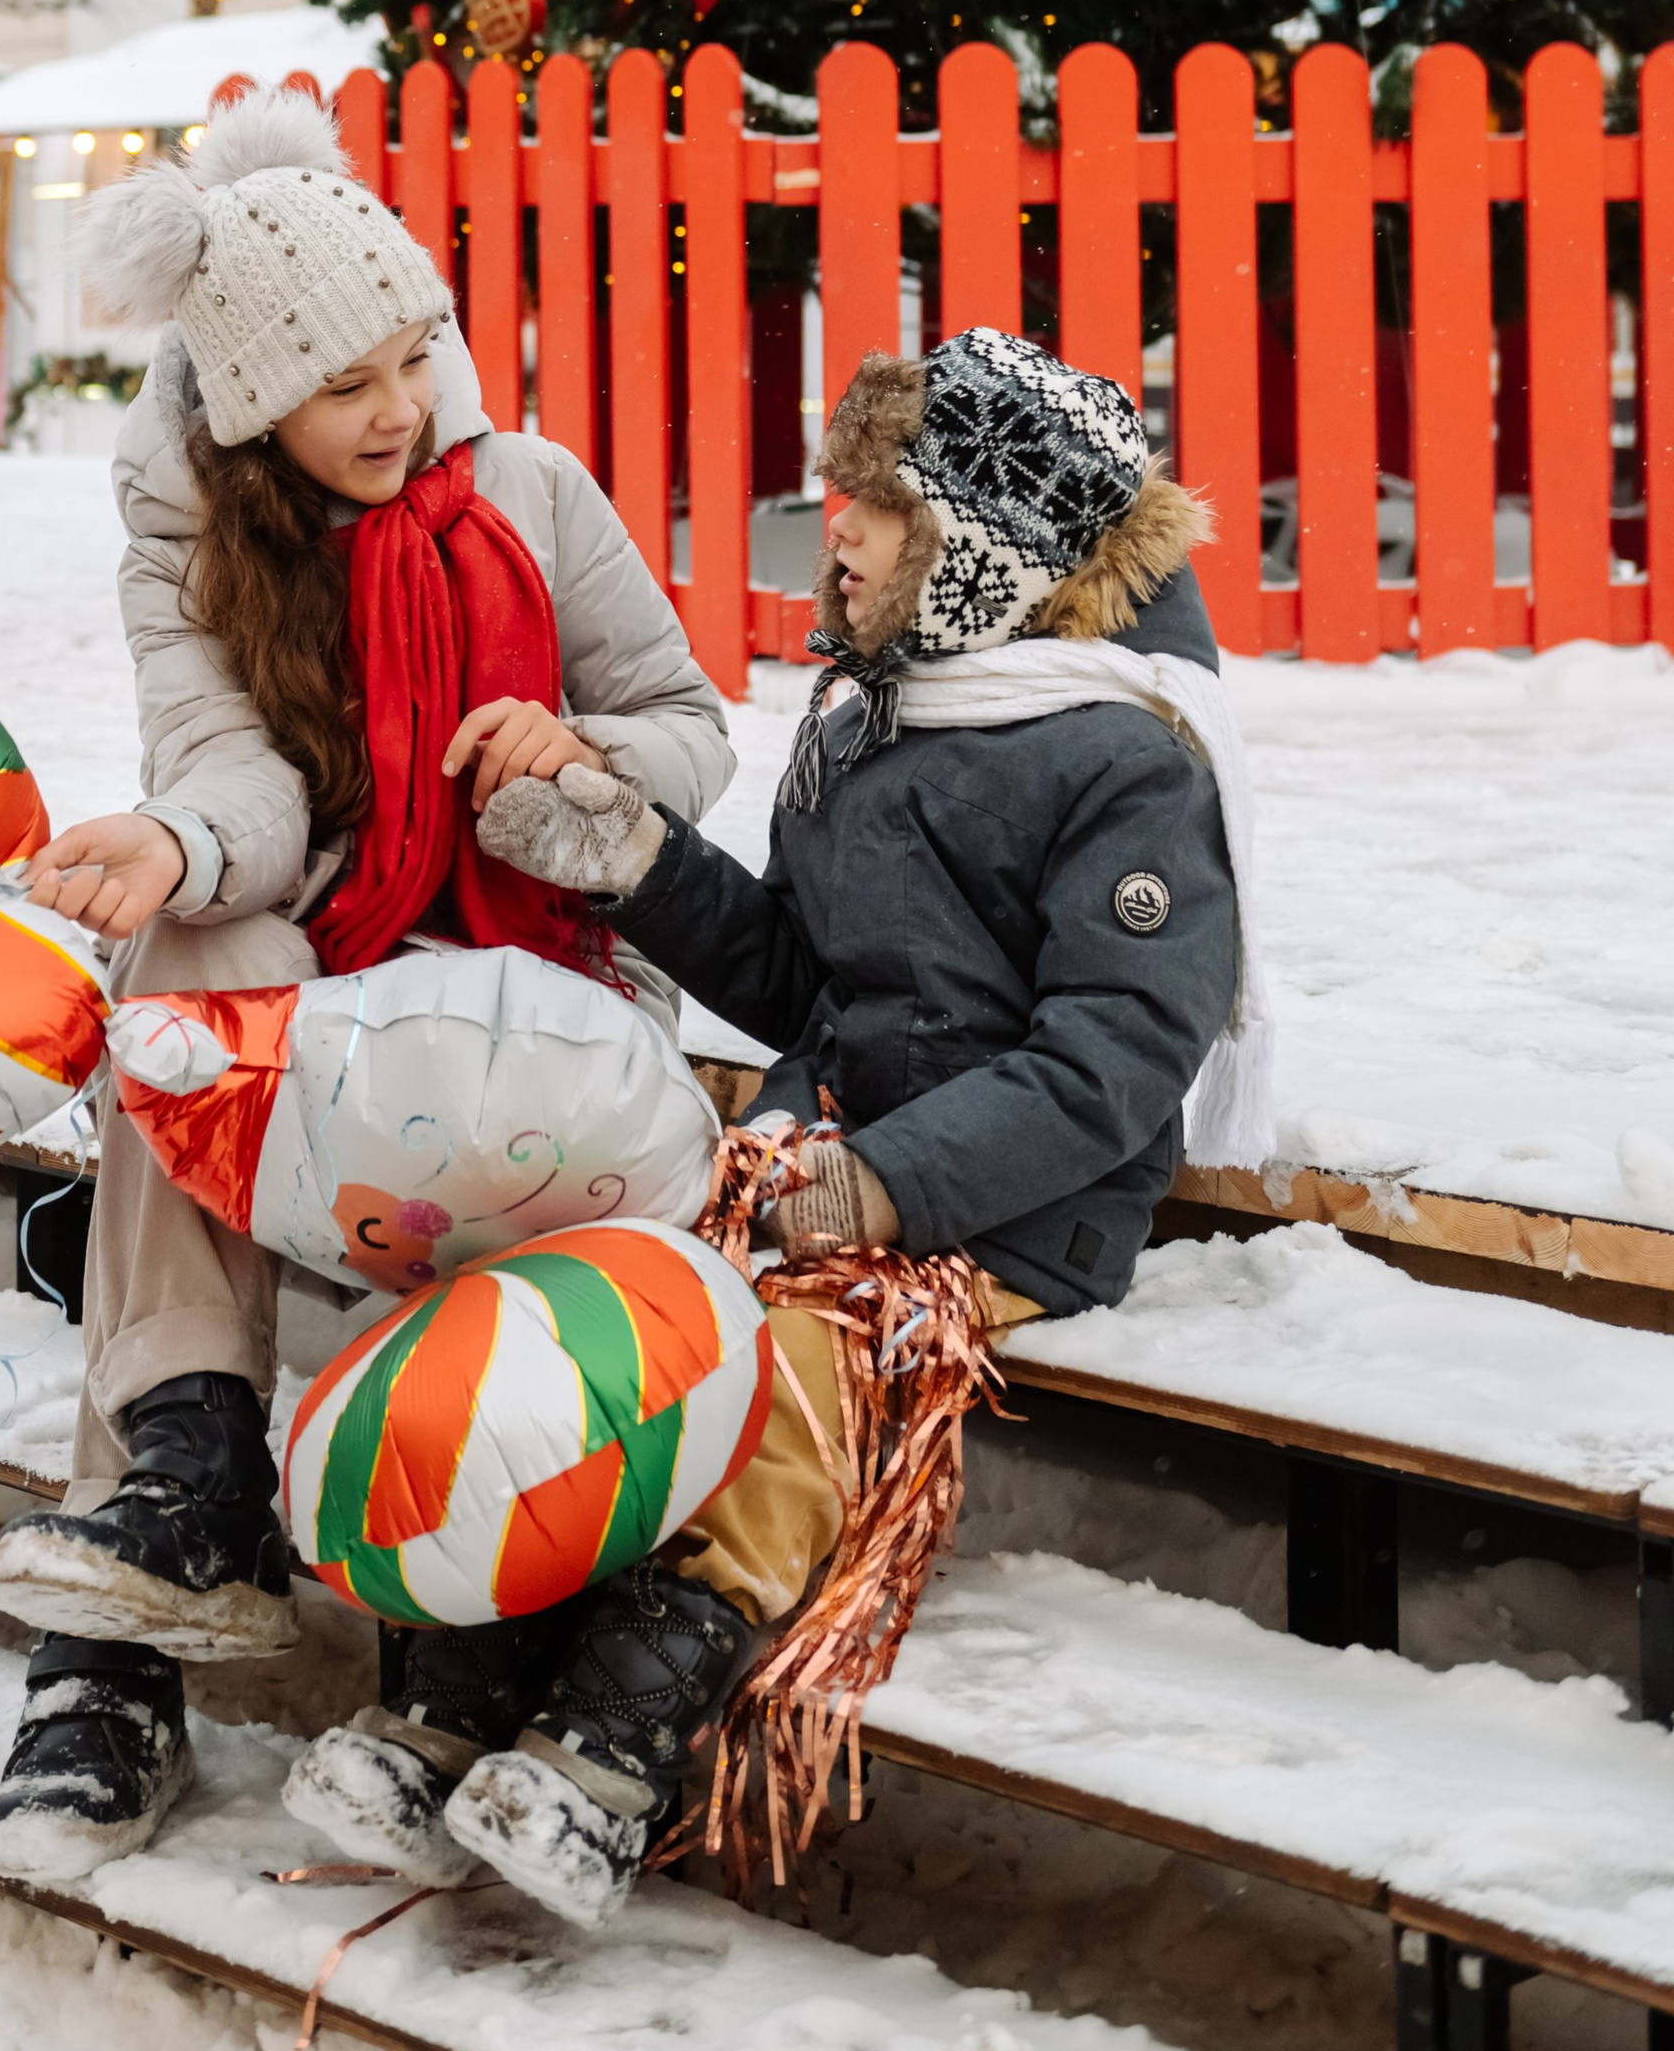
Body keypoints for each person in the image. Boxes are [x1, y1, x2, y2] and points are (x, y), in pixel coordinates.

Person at [285, 323, 1258, 1929]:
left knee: (787, 1368)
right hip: (818, 1161)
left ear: (978, 539)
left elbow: (1113, 1059)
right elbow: (812, 979)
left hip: (1001, 1210)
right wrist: (632, 858)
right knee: (610, 1317)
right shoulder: (882, 718)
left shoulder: (1123, 758)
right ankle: (453, 1699)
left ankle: (611, 1746)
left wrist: (886, 1187)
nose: (837, 532)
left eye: (873, 503)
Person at [0, 81, 738, 1877]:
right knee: (183, 977)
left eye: (418, 353)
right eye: (347, 384)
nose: (402, 407)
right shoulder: (195, 557)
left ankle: (137, 1616)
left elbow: (693, 730)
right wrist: (174, 843)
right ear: (251, 408)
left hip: (541, 984)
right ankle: (188, 1483)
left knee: (200, 1035)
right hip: (339, 971)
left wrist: (576, 772)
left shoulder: (533, 495)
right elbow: (227, 773)